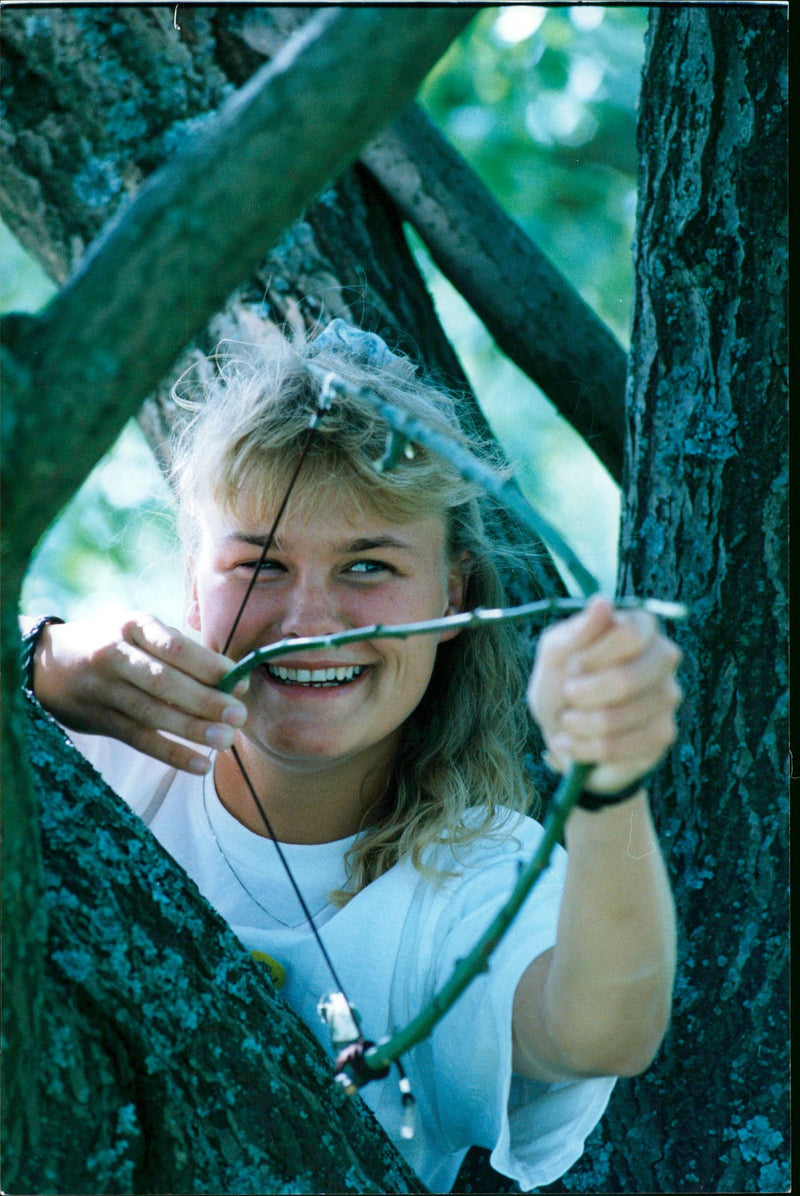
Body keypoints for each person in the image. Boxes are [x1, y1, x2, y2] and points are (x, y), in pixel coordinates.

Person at [25, 321, 681, 1192]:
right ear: (193, 577)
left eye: (367, 565)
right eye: (259, 564)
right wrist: (32, 665)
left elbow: (603, 1028)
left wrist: (611, 782)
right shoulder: (90, 763)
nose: (311, 621)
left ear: (454, 595)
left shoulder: (477, 872)